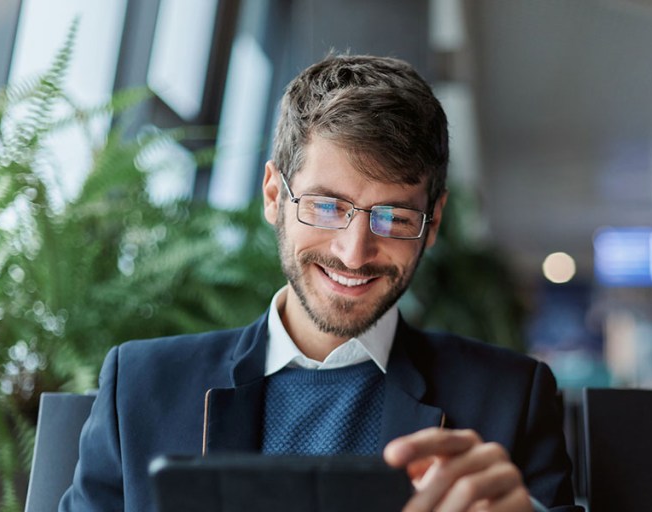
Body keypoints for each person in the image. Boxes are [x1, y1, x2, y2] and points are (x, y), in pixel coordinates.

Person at [60, 54, 578, 512]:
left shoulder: (510, 400)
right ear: (273, 196)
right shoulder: (142, 387)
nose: (354, 252)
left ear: (433, 223)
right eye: (326, 206)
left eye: (394, 217)